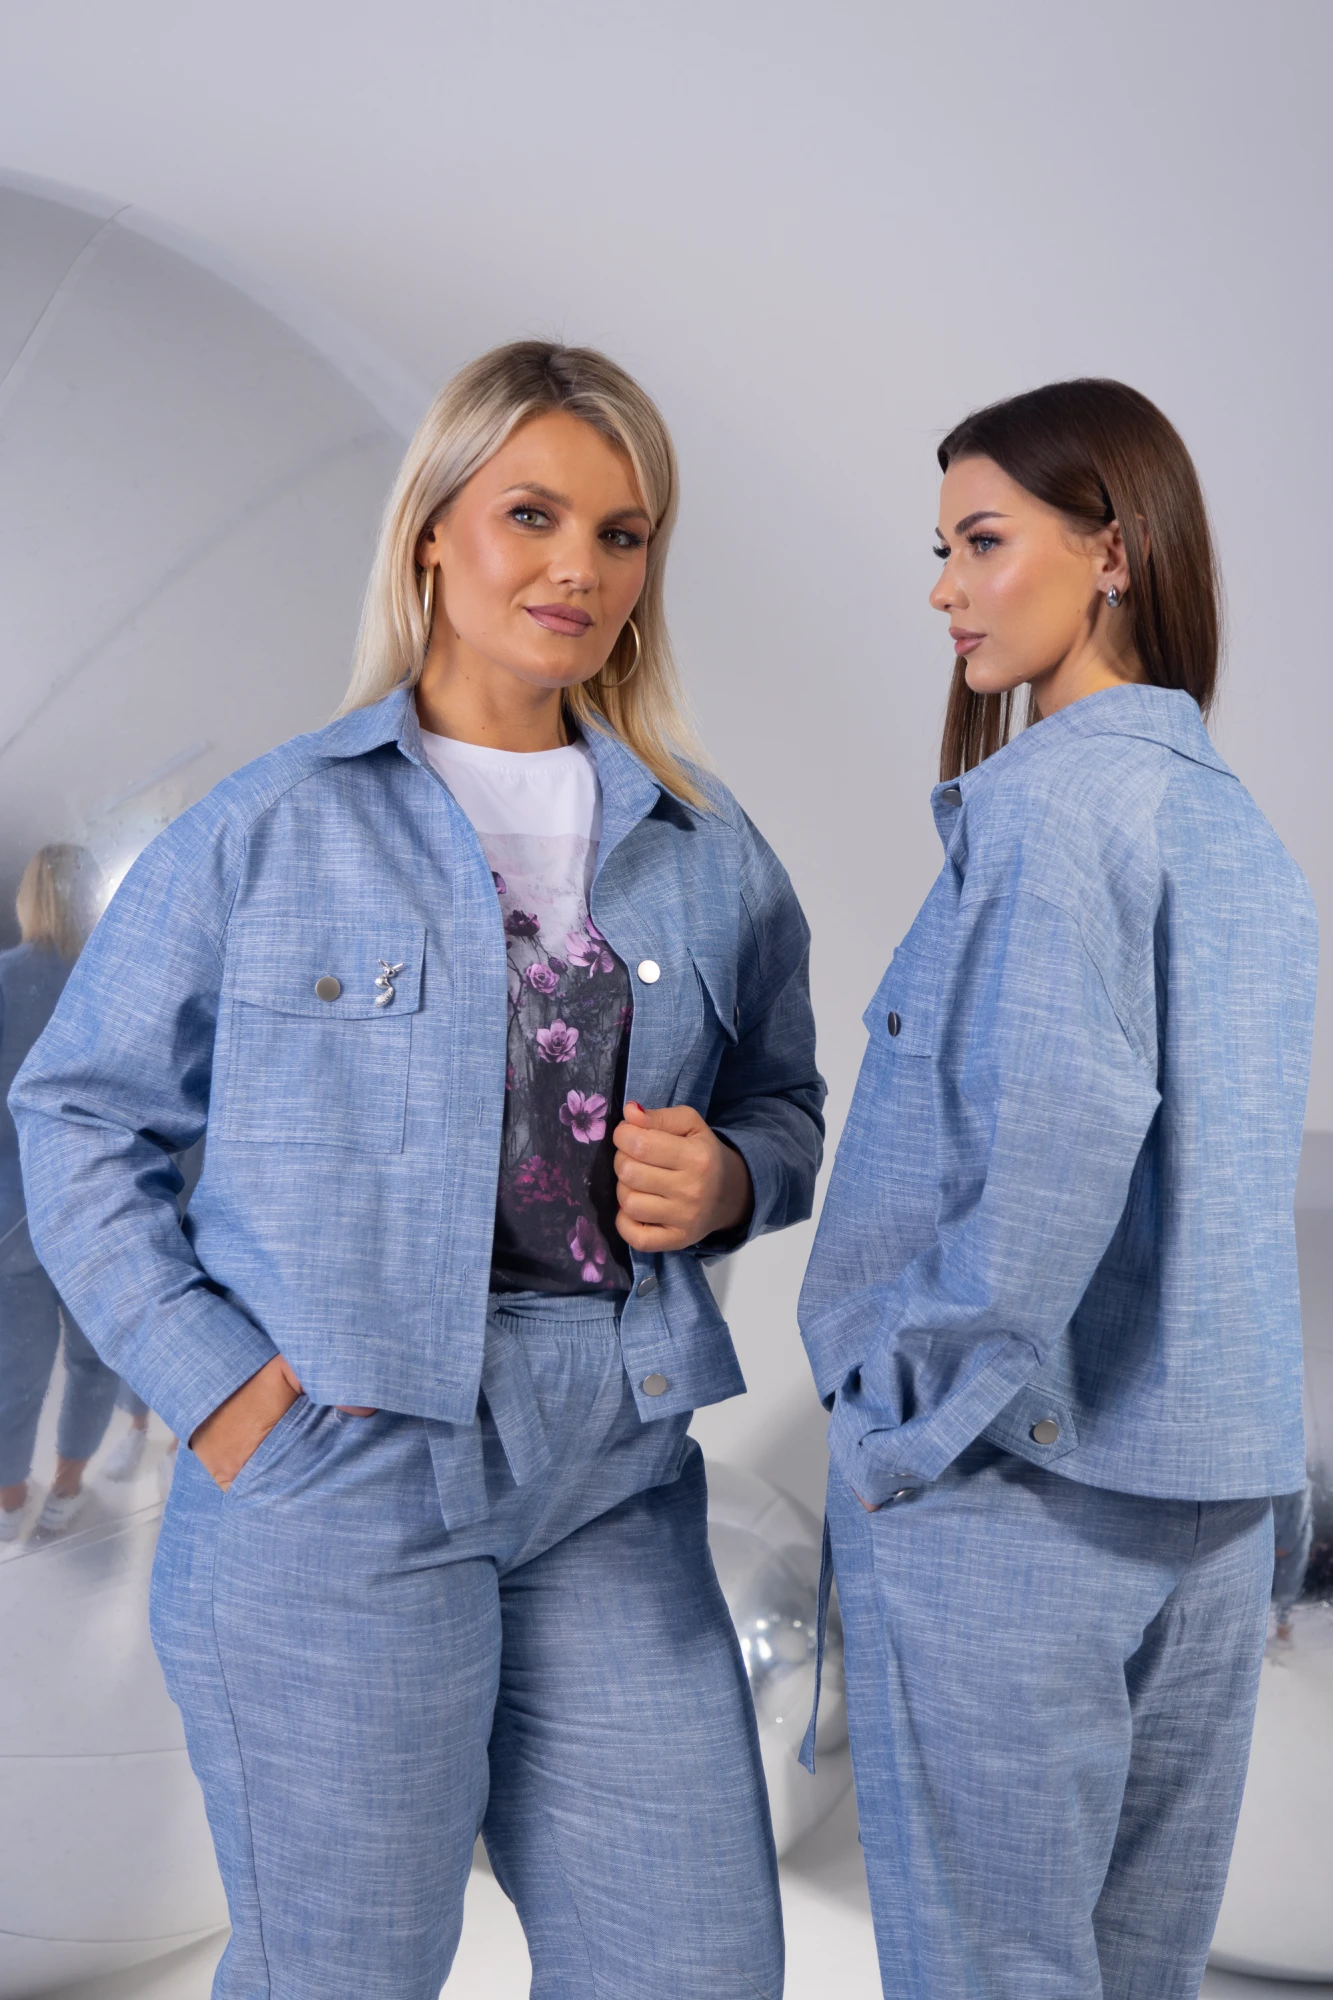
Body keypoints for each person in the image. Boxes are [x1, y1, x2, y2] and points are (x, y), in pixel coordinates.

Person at [11, 341, 824, 1999]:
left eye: (621, 533)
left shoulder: (704, 844)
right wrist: (220, 1388)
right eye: (532, 514)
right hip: (341, 1474)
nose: (578, 567)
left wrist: (734, 1180)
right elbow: (78, 1115)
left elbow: (785, 1104)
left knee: (691, 1964)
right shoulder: (269, 828)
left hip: (614, 1477)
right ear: (433, 529)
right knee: (348, 1971)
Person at [798, 379, 1317, 2000]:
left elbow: (1053, 1152)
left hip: (1018, 1498)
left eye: (980, 542)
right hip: (1212, 1507)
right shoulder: (1234, 828)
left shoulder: (1046, 810)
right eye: (941, 550)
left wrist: (894, 1422)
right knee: (1133, 1974)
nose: (943, 590)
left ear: (1111, 550)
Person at [0, 842, 121, 1539]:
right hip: (102, 1209)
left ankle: (9, 1499)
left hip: (13, 1209)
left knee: (13, 1367)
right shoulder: (122, 982)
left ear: (28, 898)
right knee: (94, 1360)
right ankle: (67, 1488)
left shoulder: (6, 979)